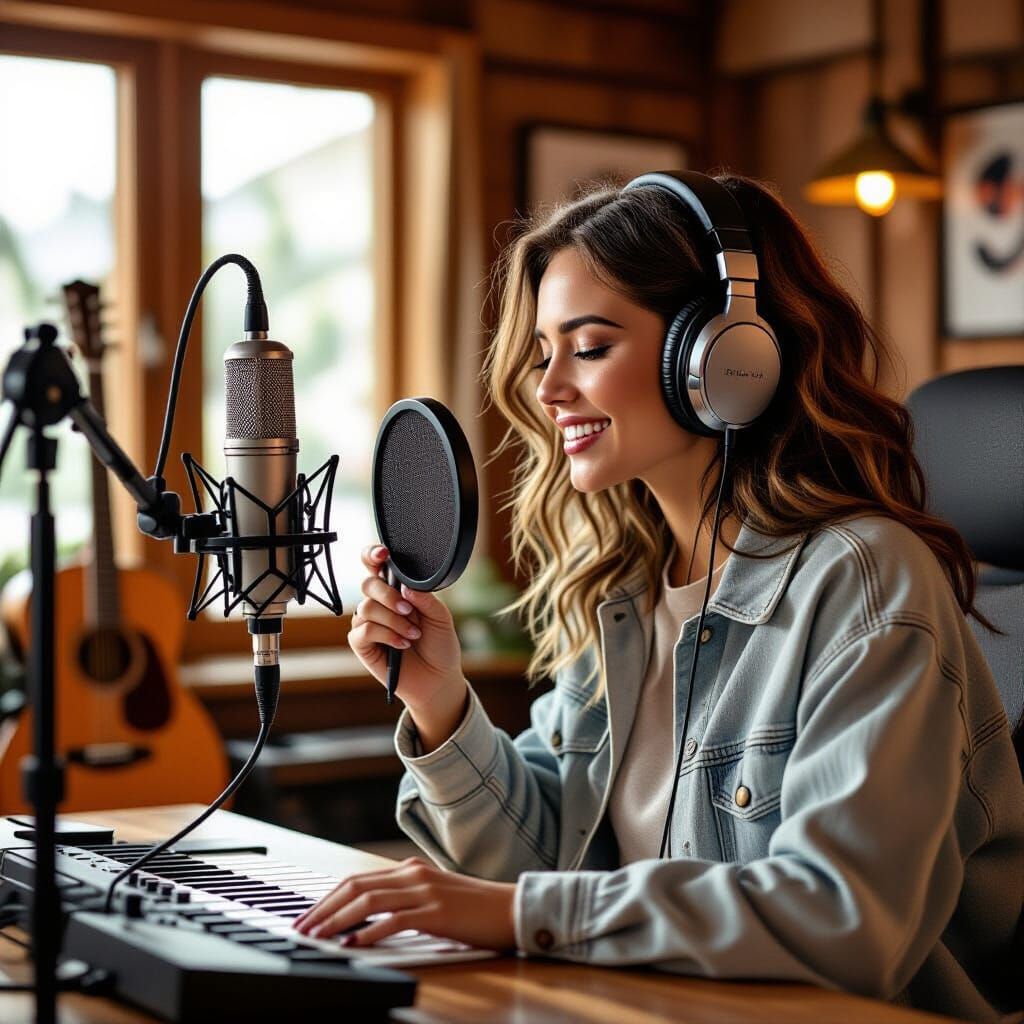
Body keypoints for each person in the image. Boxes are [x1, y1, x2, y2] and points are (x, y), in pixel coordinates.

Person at [293, 171, 1024, 1022]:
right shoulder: (625, 586)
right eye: (541, 355)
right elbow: (539, 866)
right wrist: (440, 702)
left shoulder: (861, 579)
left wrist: (525, 915)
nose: (547, 389)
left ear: (727, 355)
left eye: (590, 347)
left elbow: (846, 920)